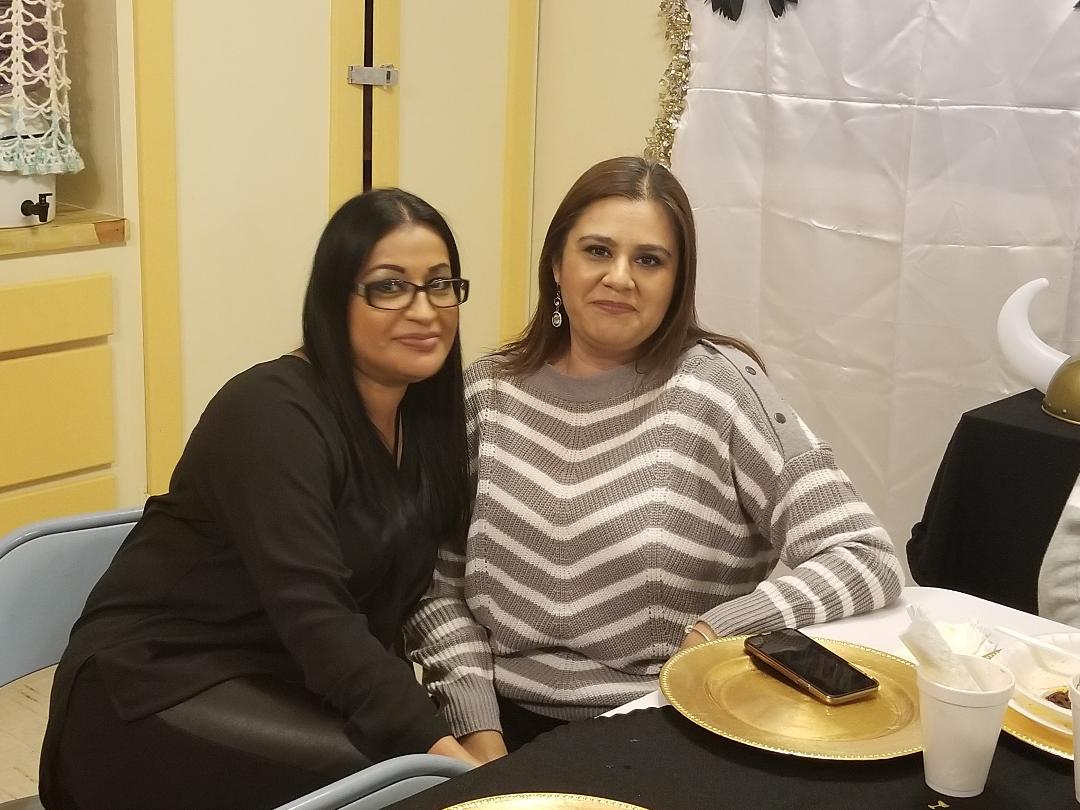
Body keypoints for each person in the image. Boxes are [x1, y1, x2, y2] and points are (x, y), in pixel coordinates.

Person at [406, 156, 905, 761]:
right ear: (557, 264)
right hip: (495, 729)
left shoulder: (722, 390)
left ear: (677, 281)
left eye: (649, 260)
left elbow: (863, 555)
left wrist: (721, 630)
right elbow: (435, 589)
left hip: (667, 726)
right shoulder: (487, 393)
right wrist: (479, 739)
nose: (620, 277)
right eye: (597, 251)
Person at [39, 188, 480, 810]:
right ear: (334, 299)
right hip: (155, 684)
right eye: (389, 286)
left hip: (285, 678)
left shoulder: (425, 422)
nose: (424, 309)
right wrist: (452, 760)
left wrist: (469, 741)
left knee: (415, 770)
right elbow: (318, 617)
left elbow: (405, 602)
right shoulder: (271, 411)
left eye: (439, 284)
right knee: (406, 786)